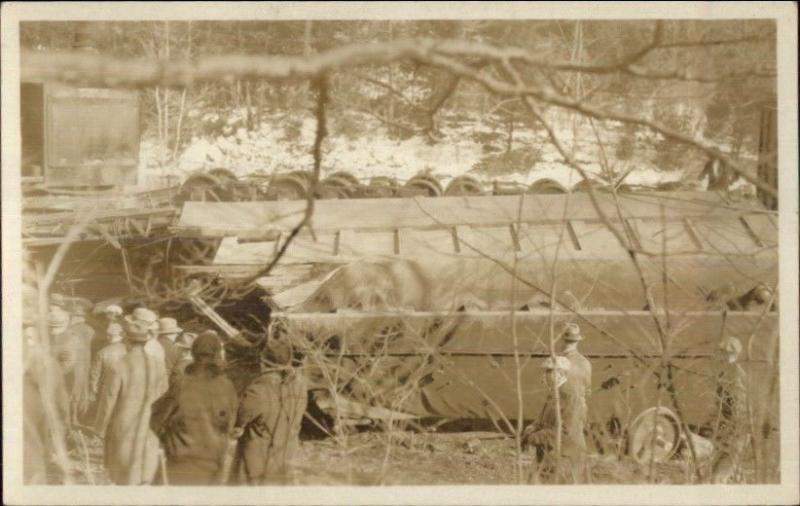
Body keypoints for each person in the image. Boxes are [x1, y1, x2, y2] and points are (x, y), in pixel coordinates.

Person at [150, 331, 239, 485]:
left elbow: (155, 418)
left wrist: (164, 436)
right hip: (213, 461)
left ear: (193, 353)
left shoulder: (181, 384)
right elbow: (230, 424)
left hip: (180, 461)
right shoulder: (227, 386)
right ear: (217, 355)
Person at [94, 307, 167, 485]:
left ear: (127, 340)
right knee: (143, 473)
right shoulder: (158, 365)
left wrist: (100, 429)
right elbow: (164, 394)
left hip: (123, 426)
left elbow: (108, 401)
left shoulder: (119, 366)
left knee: (123, 476)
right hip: (149, 425)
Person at [232, 339, 308, 485]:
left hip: (258, 458)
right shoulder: (300, 386)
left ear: (263, 362)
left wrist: (238, 427)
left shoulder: (259, 389)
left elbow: (240, 418)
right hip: (286, 454)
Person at [522, 356, 587, 484]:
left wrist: (533, 438)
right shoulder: (555, 393)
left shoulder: (570, 396)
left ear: (561, 373)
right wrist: (533, 426)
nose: (545, 375)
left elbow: (564, 432)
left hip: (563, 458)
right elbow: (544, 419)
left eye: (549, 371)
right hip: (549, 455)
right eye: (546, 371)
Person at [24, 326, 70, 484]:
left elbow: (61, 398)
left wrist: (64, 420)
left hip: (41, 418)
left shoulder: (48, 364)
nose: (27, 344)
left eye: (30, 339)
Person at [709, 336, 749, 484]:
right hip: (729, 425)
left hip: (735, 427)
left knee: (723, 470)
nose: (720, 355)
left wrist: (730, 427)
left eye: (723, 352)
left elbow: (736, 405)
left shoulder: (734, 373)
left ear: (730, 354)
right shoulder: (727, 372)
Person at [49, 306, 91, 425]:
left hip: (69, 374)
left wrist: (51, 373)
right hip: (71, 372)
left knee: (66, 400)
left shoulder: (70, 340)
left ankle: (68, 423)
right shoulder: (68, 335)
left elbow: (67, 364)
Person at [89, 323, 128, 400]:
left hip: (105, 389)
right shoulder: (128, 350)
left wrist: (93, 390)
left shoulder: (102, 352)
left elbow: (94, 375)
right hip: (123, 389)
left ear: (109, 336)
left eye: (108, 335)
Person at [558, 323, 592, 408]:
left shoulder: (557, 362)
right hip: (579, 408)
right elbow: (588, 389)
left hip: (560, 407)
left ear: (562, 340)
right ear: (577, 341)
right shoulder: (585, 362)